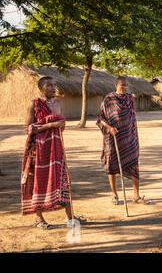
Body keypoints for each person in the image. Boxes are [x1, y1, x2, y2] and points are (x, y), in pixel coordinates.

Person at [21, 76, 83, 229]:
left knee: (62, 180)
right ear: (41, 88)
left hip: (56, 147)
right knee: (38, 181)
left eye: (54, 85)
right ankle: (39, 218)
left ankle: (70, 217)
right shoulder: (34, 104)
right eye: (49, 85)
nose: (53, 88)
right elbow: (28, 128)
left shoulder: (58, 103)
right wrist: (51, 125)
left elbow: (61, 125)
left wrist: (59, 125)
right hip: (39, 149)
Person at [97, 76, 148, 205]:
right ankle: (114, 195)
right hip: (113, 137)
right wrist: (109, 128)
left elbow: (132, 117)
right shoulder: (109, 99)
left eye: (126, 85)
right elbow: (101, 119)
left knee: (134, 163)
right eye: (122, 85)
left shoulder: (130, 98)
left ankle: (136, 195)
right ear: (116, 85)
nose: (124, 88)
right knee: (112, 166)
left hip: (129, 137)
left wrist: (135, 135)